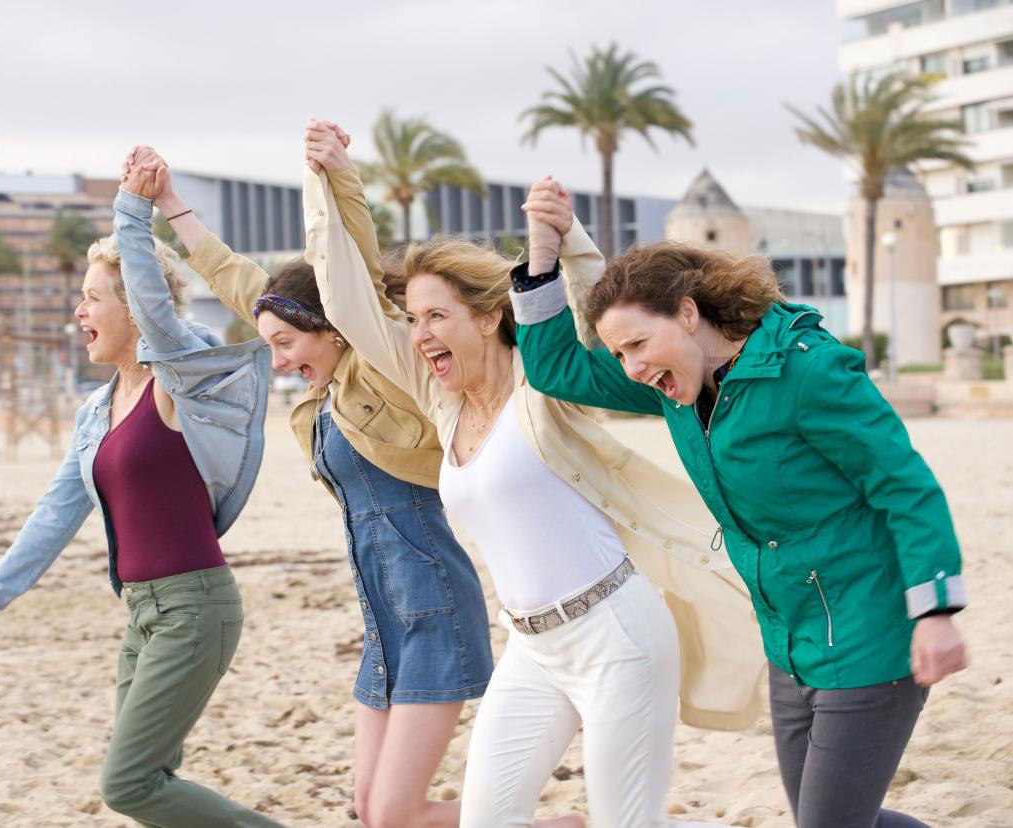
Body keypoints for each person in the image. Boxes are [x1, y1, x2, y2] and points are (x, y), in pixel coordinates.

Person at [306, 151, 763, 827]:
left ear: (488, 317)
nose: (418, 333)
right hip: (532, 648)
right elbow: (346, 301)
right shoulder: (439, 399)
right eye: (412, 319)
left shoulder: (542, 383)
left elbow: (597, 316)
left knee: (627, 823)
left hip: (616, 636)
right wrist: (329, 181)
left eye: (435, 316)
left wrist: (566, 236)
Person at [512, 181, 969, 828]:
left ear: (690, 313)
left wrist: (937, 610)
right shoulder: (677, 387)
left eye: (638, 344)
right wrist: (542, 248)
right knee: (833, 819)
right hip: (787, 640)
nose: (631, 367)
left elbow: (904, 486)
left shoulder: (807, 372)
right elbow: (557, 370)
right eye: (619, 353)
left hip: (869, 632)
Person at [124, 127, 494, 828]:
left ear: (331, 326)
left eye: (286, 344)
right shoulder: (322, 399)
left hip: (432, 603)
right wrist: (169, 200)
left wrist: (338, 179)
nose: (281, 362)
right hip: (380, 617)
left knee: (394, 814)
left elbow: (350, 268)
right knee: (368, 808)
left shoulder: (382, 368)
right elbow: (239, 282)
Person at [0, 160, 280, 827]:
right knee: (152, 781)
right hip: (142, 613)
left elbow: (156, 304)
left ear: (132, 308)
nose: (79, 310)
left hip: (194, 608)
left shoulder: (183, 379)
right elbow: (56, 513)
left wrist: (130, 207)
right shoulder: (97, 412)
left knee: (128, 785)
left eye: (93, 296)